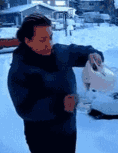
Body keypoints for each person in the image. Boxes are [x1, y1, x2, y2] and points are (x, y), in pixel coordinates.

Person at [7, 13, 104, 153]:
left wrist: (94, 54)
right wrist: (60, 104)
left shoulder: (60, 53)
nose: (49, 44)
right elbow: (24, 109)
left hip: (69, 130)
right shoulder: (19, 70)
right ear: (27, 41)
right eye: (42, 40)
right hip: (42, 138)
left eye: (50, 37)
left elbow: (82, 52)